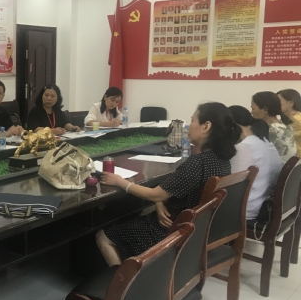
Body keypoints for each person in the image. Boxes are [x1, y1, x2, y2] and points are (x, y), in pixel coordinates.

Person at [96, 102, 235, 266]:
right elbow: (167, 193)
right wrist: (159, 202)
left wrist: (121, 182)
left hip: (170, 233)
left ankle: (124, 280)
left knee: (103, 236)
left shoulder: (197, 163)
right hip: (194, 231)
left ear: (206, 126)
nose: (189, 126)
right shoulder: (222, 161)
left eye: (192, 121)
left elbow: (155, 194)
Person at [229, 106, 282, 221]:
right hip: (266, 204)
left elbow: (231, 187)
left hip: (248, 211)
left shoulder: (244, 148)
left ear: (232, 126)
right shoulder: (266, 142)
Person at [251, 91, 296, 163]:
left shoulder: (272, 130)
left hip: (278, 169)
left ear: (265, 110)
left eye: (253, 109)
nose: (251, 112)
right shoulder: (285, 126)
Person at [278, 89, 301, 157]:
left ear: (291, 103)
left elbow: (282, 138)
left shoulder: (296, 120)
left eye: (278, 101)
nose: (275, 104)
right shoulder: (290, 118)